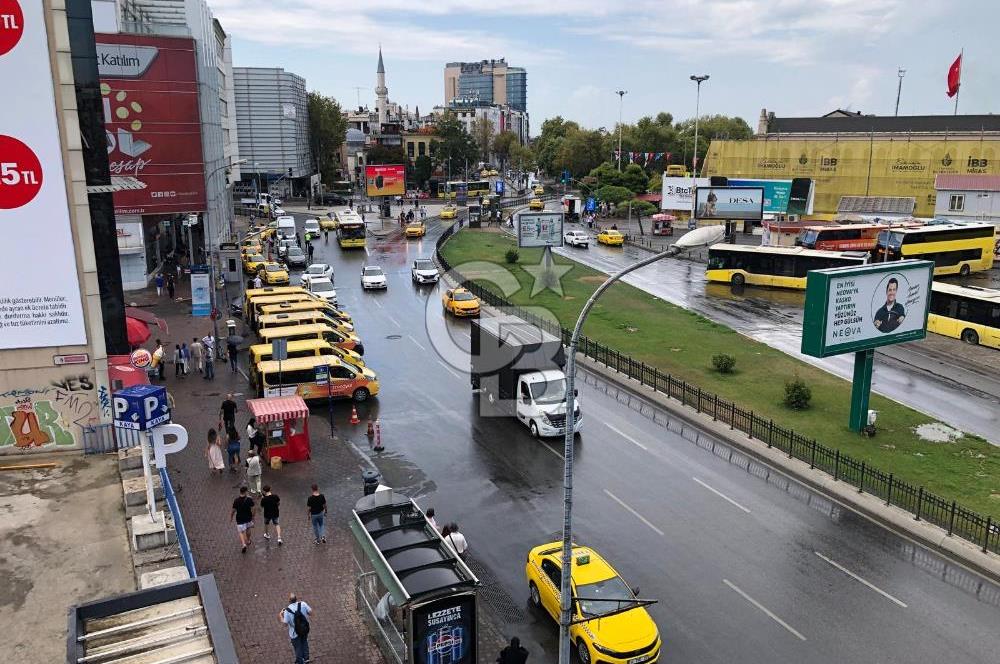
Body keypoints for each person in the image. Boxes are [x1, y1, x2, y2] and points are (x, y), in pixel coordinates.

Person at [280, 593, 311, 664]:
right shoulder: (303, 604)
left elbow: (285, 624)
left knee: (298, 648)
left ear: (289, 600)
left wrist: (280, 615)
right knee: (304, 642)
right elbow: (310, 612)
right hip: (304, 629)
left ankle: (300, 662)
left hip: (294, 633)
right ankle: (306, 659)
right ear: (296, 599)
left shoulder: (287, 611)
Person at [230, 486, 255, 554]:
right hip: (248, 517)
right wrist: (253, 516)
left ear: (240, 492)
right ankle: (248, 540)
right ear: (246, 492)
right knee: (248, 528)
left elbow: (233, 510)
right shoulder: (249, 499)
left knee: (241, 532)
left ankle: (243, 544)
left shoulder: (236, 500)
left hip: (240, 518)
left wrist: (231, 517)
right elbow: (253, 509)